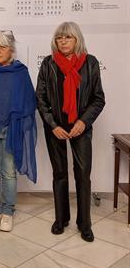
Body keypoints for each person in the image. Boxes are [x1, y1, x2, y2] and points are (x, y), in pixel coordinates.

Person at [36, 22, 105, 242]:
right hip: (55, 127)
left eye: (68, 37)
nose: (63, 41)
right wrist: (53, 125)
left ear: (77, 40)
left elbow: (98, 98)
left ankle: (85, 224)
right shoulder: (48, 64)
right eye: (59, 38)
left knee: (83, 175)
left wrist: (83, 122)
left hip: (80, 127)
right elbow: (41, 98)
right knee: (60, 173)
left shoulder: (90, 62)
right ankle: (61, 219)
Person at [0, 30, 37, 232]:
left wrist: (17, 122)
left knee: (9, 173)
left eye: (2, 46)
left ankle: (8, 211)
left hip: (11, 130)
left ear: (11, 49)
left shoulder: (20, 71)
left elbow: (30, 101)